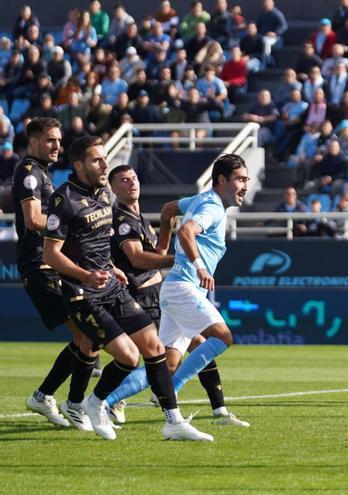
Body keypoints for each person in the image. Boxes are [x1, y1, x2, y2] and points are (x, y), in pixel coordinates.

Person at [43, 136, 211, 441]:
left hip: (111, 284)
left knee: (155, 348)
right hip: (81, 291)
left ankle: (173, 422)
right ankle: (96, 403)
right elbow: (50, 254)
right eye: (96, 160)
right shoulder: (63, 198)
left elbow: (99, 244)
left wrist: (114, 268)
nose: (104, 164)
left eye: (105, 158)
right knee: (128, 357)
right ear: (79, 165)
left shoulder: (106, 194)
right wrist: (86, 274)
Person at [102, 155, 248, 418]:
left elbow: (169, 209)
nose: (245, 186)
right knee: (222, 337)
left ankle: (104, 401)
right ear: (222, 180)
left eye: (247, 179)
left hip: (173, 289)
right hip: (183, 287)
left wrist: (161, 246)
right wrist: (199, 265)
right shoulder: (212, 207)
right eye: (240, 179)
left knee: (166, 363)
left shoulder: (202, 199)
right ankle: (174, 391)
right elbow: (186, 232)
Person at [14, 118, 100, 430]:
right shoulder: (28, 172)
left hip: (52, 265)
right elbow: (34, 219)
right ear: (34, 141)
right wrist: (69, 219)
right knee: (88, 336)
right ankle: (70, 403)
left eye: (59, 140)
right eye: (51, 140)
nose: (57, 146)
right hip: (40, 265)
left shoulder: (42, 173)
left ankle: (47, 396)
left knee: (87, 337)